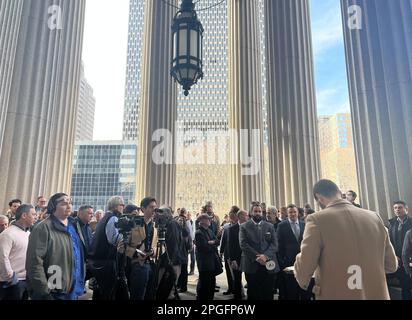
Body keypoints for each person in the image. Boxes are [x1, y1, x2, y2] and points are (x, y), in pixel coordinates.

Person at [294, 179, 398, 300]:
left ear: (318, 198)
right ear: (339, 192)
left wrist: (298, 262)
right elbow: (391, 264)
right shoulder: (374, 217)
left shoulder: (317, 219)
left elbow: (305, 266)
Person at [26, 193, 86, 300]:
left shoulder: (74, 225)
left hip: (73, 288)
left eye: (70, 203)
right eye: (64, 203)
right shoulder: (43, 228)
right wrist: (44, 292)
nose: (69, 206)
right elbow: (34, 263)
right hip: (54, 292)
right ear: (53, 207)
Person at [240, 202, 279, 300]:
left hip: (269, 264)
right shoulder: (244, 226)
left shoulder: (269, 226)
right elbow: (243, 244)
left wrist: (265, 256)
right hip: (252, 264)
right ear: (251, 212)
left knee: (268, 293)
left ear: (262, 213)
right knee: (253, 293)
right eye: (255, 211)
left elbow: (274, 244)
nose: (258, 213)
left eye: (259, 211)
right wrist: (258, 257)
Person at [88, 196, 125, 300]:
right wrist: (126, 235)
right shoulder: (113, 218)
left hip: (99, 261)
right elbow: (113, 239)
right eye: (122, 205)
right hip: (106, 262)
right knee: (107, 293)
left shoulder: (106, 217)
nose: (123, 207)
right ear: (115, 206)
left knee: (100, 293)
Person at [0, 204, 35, 300]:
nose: (35, 217)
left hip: (26, 280)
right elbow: (2, 258)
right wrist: (11, 277)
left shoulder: (28, 233)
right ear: (24, 215)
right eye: (33, 214)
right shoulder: (7, 234)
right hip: (12, 282)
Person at [277, 204, 311, 300]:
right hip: (288, 262)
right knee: (291, 290)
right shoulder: (281, 225)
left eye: (294, 212)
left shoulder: (303, 224)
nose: (293, 214)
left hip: (303, 261)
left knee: (304, 289)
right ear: (287, 214)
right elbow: (279, 245)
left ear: (298, 213)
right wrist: (282, 261)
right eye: (290, 212)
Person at [388, 200, 412, 300]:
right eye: (395, 208)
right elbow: (389, 241)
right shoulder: (392, 223)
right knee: (404, 285)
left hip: (410, 258)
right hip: (398, 258)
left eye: (400, 207)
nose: (397, 209)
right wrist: (393, 255)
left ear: (406, 209)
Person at [195, 214, 221, 300]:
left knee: (211, 285)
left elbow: (217, 241)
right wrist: (212, 244)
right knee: (204, 285)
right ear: (202, 221)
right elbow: (204, 248)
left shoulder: (209, 230)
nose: (210, 221)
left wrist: (211, 242)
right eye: (208, 219)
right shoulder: (199, 233)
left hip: (212, 262)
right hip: (204, 263)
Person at [227, 209, 249, 300]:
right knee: (237, 279)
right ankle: (237, 297)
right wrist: (233, 260)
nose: (247, 217)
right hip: (237, 258)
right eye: (245, 215)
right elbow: (230, 245)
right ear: (239, 217)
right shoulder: (232, 229)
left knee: (249, 278)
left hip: (248, 258)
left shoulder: (250, 227)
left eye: (247, 215)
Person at [220, 206, 239, 296]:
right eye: (230, 213)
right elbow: (223, 240)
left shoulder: (240, 226)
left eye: (232, 214)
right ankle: (230, 288)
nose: (230, 215)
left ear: (236, 215)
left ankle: (237, 291)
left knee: (236, 274)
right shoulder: (226, 226)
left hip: (236, 254)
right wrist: (221, 251)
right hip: (227, 253)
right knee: (228, 272)